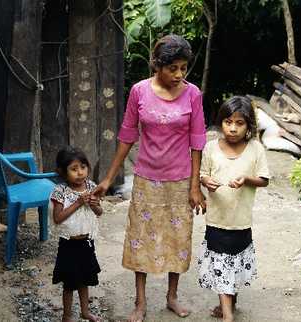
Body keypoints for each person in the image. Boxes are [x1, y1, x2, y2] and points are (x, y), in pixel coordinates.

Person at [93, 34, 207, 321]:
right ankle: (140, 302)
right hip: (147, 180)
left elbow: (197, 142)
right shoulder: (139, 91)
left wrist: (195, 186)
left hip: (180, 181)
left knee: (177, 239)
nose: (179, 74)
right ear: (158, 65)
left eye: (184, 68)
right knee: (140, 239)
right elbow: (127, 135)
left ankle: (171, 297)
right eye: (173, 68)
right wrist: (108, 178)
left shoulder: (192, 93)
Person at [198, 96, 270, 322]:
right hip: (216, 220)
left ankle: (230, 301)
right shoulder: (210, 148)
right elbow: (202, 173)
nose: (233, 128)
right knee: (221, 264)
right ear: (221, 122)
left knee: (235, 264)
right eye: (228, 122)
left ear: (248, 125)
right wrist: (205, 180)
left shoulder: (256, 149)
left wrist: (247, 179)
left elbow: (264, 179)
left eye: (239, 123)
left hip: (241, 220)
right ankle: (228, 315)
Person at [50, 147, 103, 322]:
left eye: (82, 167)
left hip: (86, 242)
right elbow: (58, 218)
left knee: (85, 279)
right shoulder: (60, 191)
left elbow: (99, 212)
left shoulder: (91, 186)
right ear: (63, 172)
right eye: (74, 169)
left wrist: (94, 203)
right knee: (69, 282)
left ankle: (85, 312)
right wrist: (78, 203)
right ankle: (67, 315)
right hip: (69, 244)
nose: (80, 173)